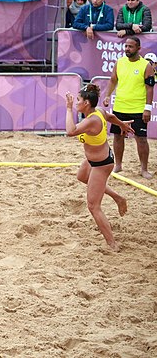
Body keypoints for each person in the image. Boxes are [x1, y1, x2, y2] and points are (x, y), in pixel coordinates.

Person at [65, 84, 132, 251]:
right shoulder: (98, 111)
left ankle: (112, 244)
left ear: (86, 103)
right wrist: (122, 124)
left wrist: (68, 109)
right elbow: (110, 116)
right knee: (81, 177)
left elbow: (70, 131)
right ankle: (118, 197)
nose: (76, 103)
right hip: (93, 160)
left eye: (78, 100)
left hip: (101, 165)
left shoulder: (91, 120)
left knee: (93, 206)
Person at [102, 36, 155, 179]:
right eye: (126, 46)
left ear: (138, 48)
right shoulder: (119, 62)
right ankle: (118, 165)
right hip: (120, 106)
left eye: (130, 47)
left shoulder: (146, 65)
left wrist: (148, 108)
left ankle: (144, 169)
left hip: (138, 108)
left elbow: (150, 88)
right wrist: (107, 95)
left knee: (141, 139)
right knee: (118, 137)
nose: (127, 49)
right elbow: (113, 80)